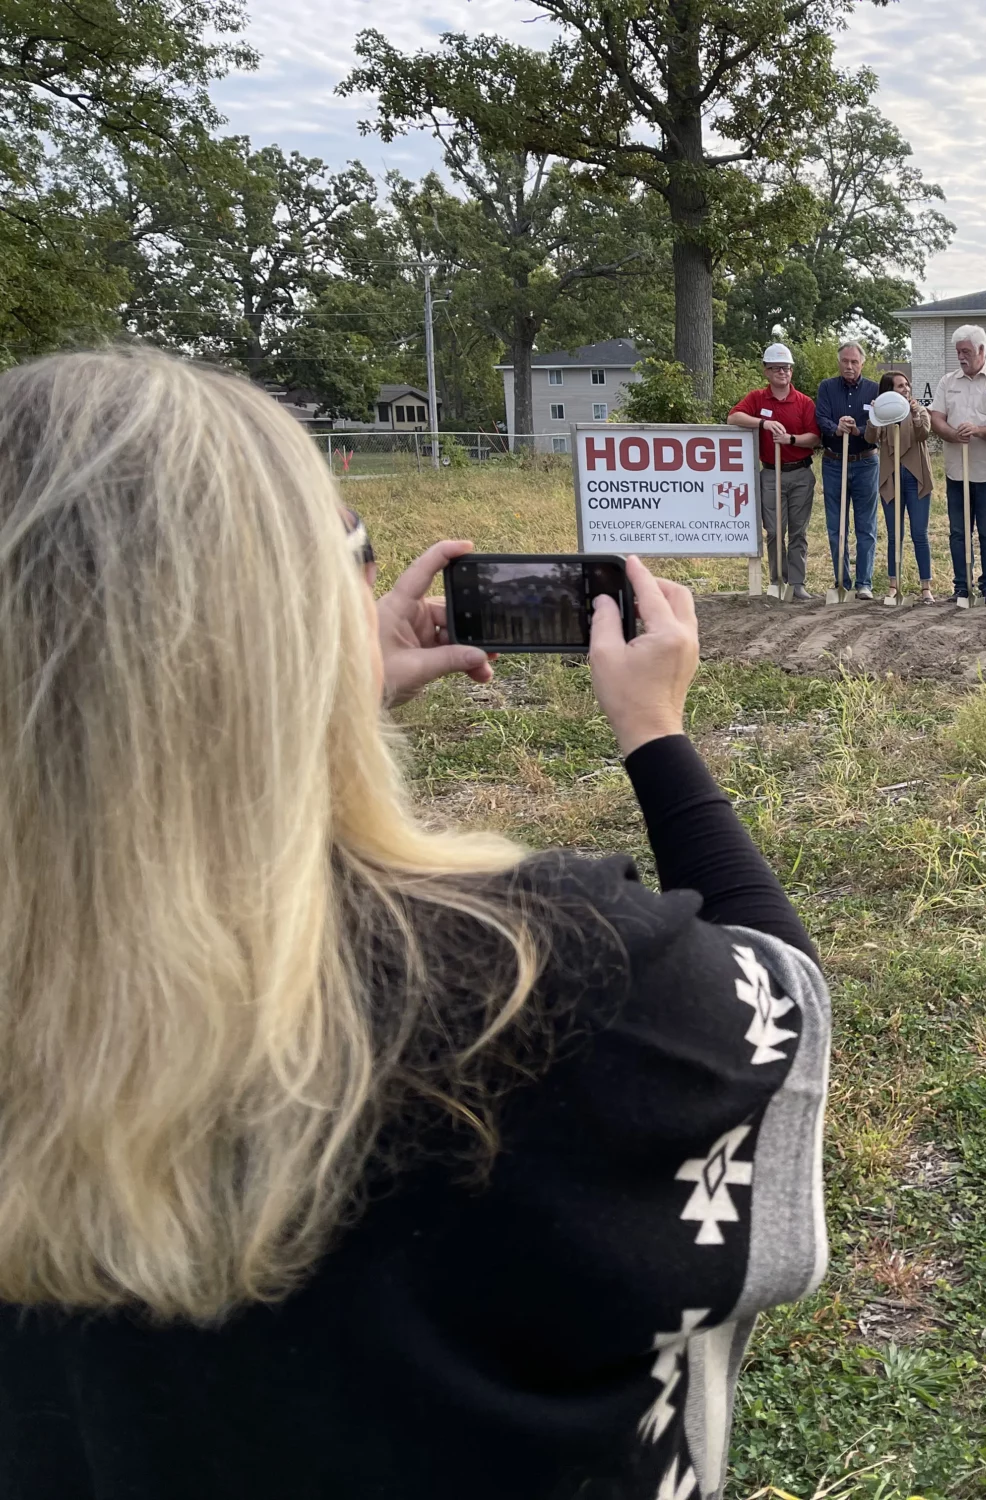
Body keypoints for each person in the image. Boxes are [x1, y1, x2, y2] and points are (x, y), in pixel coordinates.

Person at [0, 348, 829, 1500]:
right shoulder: (537, 972)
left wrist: (321, 704)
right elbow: (779, 989)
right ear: (287, 621)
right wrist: (655, 732)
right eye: (353, 551)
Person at [726, 343, 819, 600]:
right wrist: (764, 423)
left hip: (800, 473)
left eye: (787, 368)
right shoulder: (757, 399)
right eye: (777, 368)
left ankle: (797, 584)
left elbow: (813, 438)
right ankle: (778, 581)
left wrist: (790, 440)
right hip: (770, 474)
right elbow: (733, 418)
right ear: (766, 371)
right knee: (775, 531)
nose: (782, 372)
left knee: (798, 532)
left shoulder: (803, 402)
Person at [930, 324, 986, 605]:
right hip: (957, 472)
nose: (961, 357)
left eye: (966, 351)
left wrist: (977, 430)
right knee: (958, 531)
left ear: (981, 350)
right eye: (958, 352)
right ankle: (962, 586)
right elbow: (936, 419)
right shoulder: (947, 382)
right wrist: (952, 434)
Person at [815, 340, 879, 599]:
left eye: (854, 361)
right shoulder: (827, 387)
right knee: (836, 527)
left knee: (866, 526)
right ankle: (842, 581)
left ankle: (864, 583)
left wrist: (858, 430)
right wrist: (836, 428)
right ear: (839, 362)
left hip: (865, 462)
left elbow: (879, 423)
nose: (849, 366)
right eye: (845, 361)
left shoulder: (875, 389)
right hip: (834, 462)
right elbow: (820, 417)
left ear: (862, 363)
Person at [865, 368, 935, 603]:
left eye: (907, 385)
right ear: (888, 390)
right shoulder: (883, 414)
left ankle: (926, 587)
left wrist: (915, 413)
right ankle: (893, 585)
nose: (906, 389)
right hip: (891, 476)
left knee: (920, 533)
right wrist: (875, 414)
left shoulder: (919, 410)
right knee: (895, 534)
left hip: (916, 476)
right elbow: (870, 438)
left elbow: (924, 433)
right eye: (900, 386)